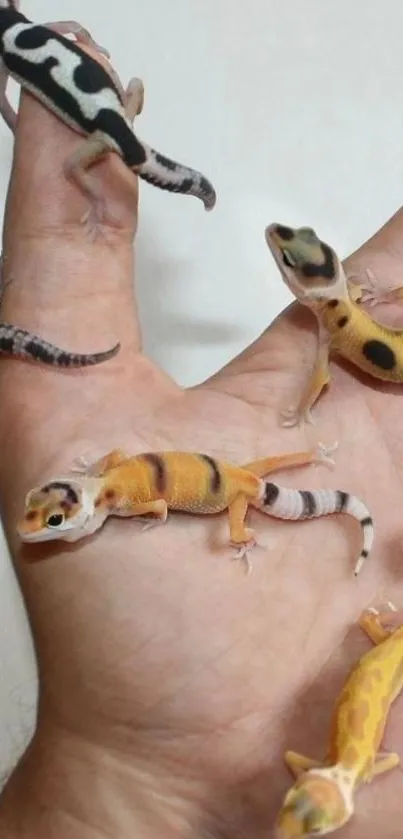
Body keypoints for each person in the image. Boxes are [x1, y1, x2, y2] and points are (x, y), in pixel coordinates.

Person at [0, 45, 402, 839]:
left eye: (289, 255)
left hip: (239, 489)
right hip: (237, 486)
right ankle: (346, 515)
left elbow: (312, 385)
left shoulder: (330, 334)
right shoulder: (119, 486)